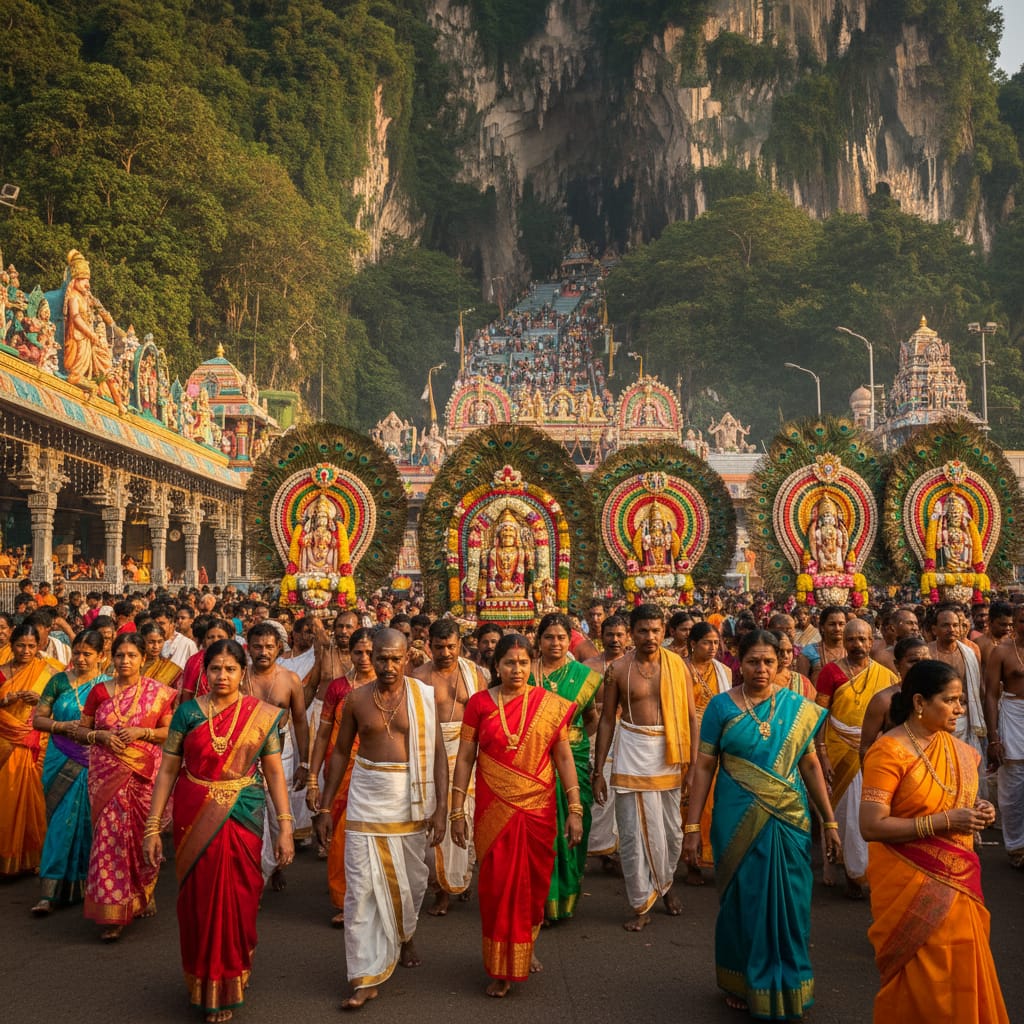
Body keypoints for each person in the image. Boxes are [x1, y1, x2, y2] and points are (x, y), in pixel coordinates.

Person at [684, 629, 840, 1018]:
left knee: (793, 901)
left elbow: (809, 764)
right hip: (735, 816)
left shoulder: (797, 706)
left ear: (781, 661)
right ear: (739, 660)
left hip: (789, 817)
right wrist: (690, 827)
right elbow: (704, 765)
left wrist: (831, 821)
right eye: (753, 661)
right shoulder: (721, 707)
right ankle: (742, 978)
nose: (761, 669)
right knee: (745, 898)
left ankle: (791, 980)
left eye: (769, 661)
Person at [143, 639, 295, 1024]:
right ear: (204, 671)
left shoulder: (260, 715)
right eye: (215, 669)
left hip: (243, 813)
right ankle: (202, 979)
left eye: (230, 669)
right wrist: (152, 826)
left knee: (240, 899)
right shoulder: (187, 714)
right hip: (194, 813)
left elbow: (275, 773)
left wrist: (286, 827)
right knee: (197, 902)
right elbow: (167, 772)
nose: (222, 676)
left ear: (242, 673)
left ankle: (230, 977)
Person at [860, 660, 1007, 1022]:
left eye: (961, 700)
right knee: (924, 982)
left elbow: (960, 802)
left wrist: (980, 810)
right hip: (908, 885)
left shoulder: (960, 751)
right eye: (951, 700)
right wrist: (943, 822)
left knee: (962, 970)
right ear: (920, 702)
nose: (960, 709)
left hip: (959, 884)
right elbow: (871, 825)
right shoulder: (888, 752)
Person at [314, 629, 448, 1010]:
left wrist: (440, 808)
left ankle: (405, 934)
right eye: (381, 658)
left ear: (408, 657)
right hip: (366, 800)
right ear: (370, 657)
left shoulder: (424, 697)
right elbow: (340, 753)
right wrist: (325, 807)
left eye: (395, 658)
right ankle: (364, 976)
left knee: (411, 882)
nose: (388, 666)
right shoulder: (356, 699)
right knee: (360, 892)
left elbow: (437, 753)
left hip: (410, 800)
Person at [449, 633, 581, 997]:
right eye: (509, 662)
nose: (517, 669)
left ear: (532, 664)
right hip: (494, 812)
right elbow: (464, 758)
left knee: (532, 886)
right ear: (496, 665)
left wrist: (575, 809)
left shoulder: (549, 705)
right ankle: (500, 967)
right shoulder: (478, 704)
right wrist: (456, 809)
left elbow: (564, 757)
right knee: (495, 889)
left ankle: (524, 947)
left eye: (524, 663)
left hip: (537, 811)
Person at [593, 604, 697, 930]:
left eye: (655, 630)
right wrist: (599, 769)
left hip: (669, 754)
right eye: (643, 631)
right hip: (631, 754)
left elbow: (692, 718)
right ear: (632, 633)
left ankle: (665, 887)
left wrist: (693, 766)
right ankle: (641, 904)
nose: (650, 637)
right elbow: (608, 719)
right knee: (633, 833)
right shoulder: (619, 670)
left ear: (664, 631)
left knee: (670, 833)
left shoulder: (678, 665)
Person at [79, 631, 176, 940]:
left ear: (143, 659)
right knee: (109, 839)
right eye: (120, 655)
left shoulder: (157, 693)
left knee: (141, 837)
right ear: (111, 658)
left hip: (145, 776)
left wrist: (140, 733)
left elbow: (168, 732)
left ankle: (141, 892)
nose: (125, 661)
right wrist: (100, 736)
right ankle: (112, 912)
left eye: (132, 655)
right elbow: (82, 730)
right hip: (107, 775)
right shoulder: (99, 693)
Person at [814, 617, 898, 897]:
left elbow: (893, 719)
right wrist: (823, 754)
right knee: (844, 814)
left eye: (862, 639)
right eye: (851, 639)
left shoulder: (885, 674)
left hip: (874, 750)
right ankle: (850, 869)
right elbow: (820, 717)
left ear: (871, 641)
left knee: (874, 809)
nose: (857, 645)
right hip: (838, 747)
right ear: (844, 642)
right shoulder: (830, 672)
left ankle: (863, 871)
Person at [412, 618, 487, 917]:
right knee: (437, 816)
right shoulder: (418, 677)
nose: (445, 653)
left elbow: (484, 713)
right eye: (439, 647)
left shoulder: (474, 673)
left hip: (469, 752)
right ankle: (440, 889)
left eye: (451, 646)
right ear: (429, 645)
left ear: (460, 645)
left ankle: (462, 878)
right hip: (431, 755)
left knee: (465, 817)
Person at [529, 611, 601, 921]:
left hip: (574, 757)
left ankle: (566, 896)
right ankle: (541, 899)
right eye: (549, 637)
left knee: (573, 824)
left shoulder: (585, 677)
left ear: (570, 640)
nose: (556, 643)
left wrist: (570, 743)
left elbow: (591, 720)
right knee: (540, 830)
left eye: (562, 637)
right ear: (539, 641)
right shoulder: (526, 674)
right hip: (534, 760)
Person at [30, 629, 109, 913]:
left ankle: (90, 886)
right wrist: (62, 727)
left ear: (101, 656)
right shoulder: (58, 682)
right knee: (60, 824)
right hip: (60, 757)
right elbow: (38, 719)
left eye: (88, 654)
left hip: (95, 761)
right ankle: (49, 893)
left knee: (91, 823)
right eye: (77, 653)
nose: (81, 658)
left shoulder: (107, 686)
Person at [306, 627, 375, 925]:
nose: (364, 658)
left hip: (376, 770)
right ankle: (345, 900)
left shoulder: (391, 687)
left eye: (370, 652)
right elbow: (323, 735)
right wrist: (312, 777)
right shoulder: (338, 688)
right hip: (341, 768)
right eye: (358, 652)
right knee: (342, 839)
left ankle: (376, 899)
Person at [245, 621, 308, 890]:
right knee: (251, 817)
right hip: (246, 758)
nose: (263, 651)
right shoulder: (239, 678)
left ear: (279, 649)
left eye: (269, 647)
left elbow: (301, 722)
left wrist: (304, 763)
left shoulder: (289, 680)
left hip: (281, 756)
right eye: (257, 646)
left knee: (278, 817)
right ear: (248, 649)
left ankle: (276, 866)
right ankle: (256, 877)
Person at [0, 623, 56, 875]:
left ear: (39, 646)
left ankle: (28, 857)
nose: (25, 650)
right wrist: (6, 699)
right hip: (4, 742)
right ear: (11, 646)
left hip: (33, 743)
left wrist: (41, 700)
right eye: (21, 645)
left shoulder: (48, 673)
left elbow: (62, 706)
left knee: (32, 799)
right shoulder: (1, 672)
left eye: (31, 646)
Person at [682, 621, 732, 884]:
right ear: (692, 644)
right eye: (706, 642)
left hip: (719, 742)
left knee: (716, 802)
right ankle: (692, 863)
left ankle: (715, 857)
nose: (713, 647)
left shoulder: (724, 671)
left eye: (716, 642)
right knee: (691, 802)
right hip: (687, 740)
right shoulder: (680, 670)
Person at [583, 614, 629, 867]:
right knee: (599, 788)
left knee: (622, 789)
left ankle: (618, 848)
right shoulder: (588, 667)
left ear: (628, 636)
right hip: (595, 733)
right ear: (602, 637)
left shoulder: (634, 666)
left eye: (620, 634)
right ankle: (601, 847)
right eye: (610, 635)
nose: (615, 640)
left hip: (629, 734)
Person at [928, 604, 986, 792]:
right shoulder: (926, 653)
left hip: (965, 721)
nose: (951, 629)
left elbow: (978, 688)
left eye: (956, 625)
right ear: (934, 629)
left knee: (966, 772)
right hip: (934, 724)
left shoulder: (970, 652)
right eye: (945, 625)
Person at [984, 603, 1024, 867]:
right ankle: (1017, 846)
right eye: (1022, 620)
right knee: (1013, 785)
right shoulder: (1002, 652)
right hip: (1013, 715)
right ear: (1015, 624)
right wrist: (994, 737)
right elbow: (990, 694)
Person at [139, 621, 184, 688]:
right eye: (151, 642)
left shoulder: (170, 669)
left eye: (160, 642)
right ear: (142, 641)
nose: (156, 647)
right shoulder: (134, 663)